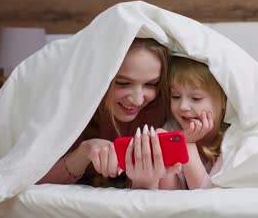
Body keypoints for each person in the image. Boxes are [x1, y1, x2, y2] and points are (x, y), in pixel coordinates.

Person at [37, 38, 181, 189]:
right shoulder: (68, 110)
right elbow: (27, 183)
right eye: (123, 83)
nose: (138, 100)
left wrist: (146, 178)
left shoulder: (163, 110)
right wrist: (83, 153)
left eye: (151, 84)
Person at [159, 56, 229, 189]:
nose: (183, 106)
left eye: (196, 98)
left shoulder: (231, 139)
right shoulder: (171, 130)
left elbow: (204, 196)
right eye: (175, 96)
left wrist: (188, 144)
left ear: (223, 100)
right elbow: (169, 196)